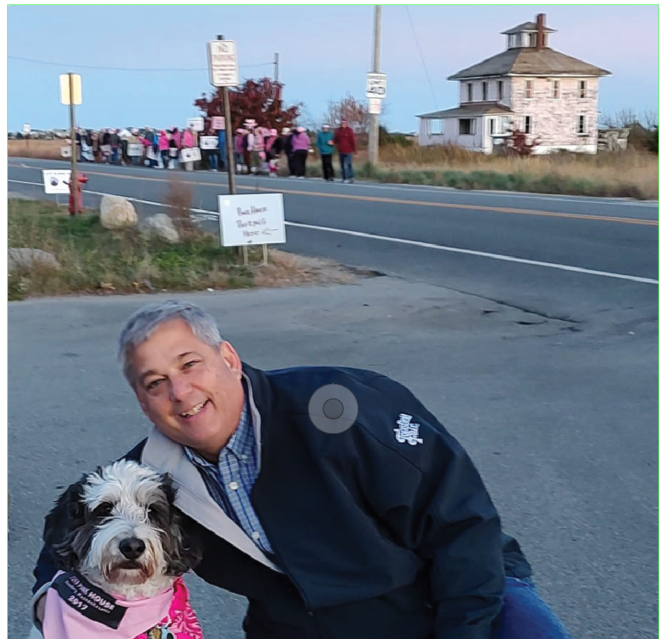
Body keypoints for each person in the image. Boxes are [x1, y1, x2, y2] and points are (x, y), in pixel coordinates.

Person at [31, 300, 573, 639]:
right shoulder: (146, 481)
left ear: (229, 358)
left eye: (189, 364)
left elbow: (461, 526)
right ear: (142, 402)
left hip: (460, 594)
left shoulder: (340, 409)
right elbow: (62, 543)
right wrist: (59, 612)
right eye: (154, 383)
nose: (179, 391)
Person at [333, 118, 357, 183]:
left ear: (346, 123)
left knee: (349, 164)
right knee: (342, 166)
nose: (343, 124)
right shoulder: (338, 131)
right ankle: (344, 178)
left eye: (345, 123)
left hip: (348, 151)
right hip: (341, 151)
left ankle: (351, 177)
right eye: (342, 123)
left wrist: (354, 150)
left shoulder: (349, 130)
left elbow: (352, 141)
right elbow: (336, 140)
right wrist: (332, 142)